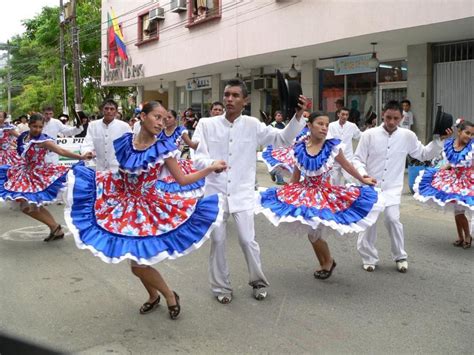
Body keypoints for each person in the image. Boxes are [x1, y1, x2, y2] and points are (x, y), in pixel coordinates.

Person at [65, 101, 226, 319]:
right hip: (124, 206)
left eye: (164, 118)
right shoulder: (125, 142)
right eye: (157, 117)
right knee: (135, 263)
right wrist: (100, 185)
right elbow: (119, 175)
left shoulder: (163, 149)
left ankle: (169, 295)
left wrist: (209, 168)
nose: (161, 123)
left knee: (139, 265)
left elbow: (183, 179)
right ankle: (153, 296)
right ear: (142, 117)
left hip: (149, 209)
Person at [193, 78, 308, 304]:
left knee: (247, 240)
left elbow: (283, 139)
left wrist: (298, 116)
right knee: (217, 241)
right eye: (227, 94)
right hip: (214, 193)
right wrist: (210, 163)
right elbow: (197, 157)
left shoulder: (253, 124)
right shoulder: (207, 124)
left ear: (245, 100)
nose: (229, 99)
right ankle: (221, 287)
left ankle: (258, 281)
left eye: (235, 95)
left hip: (243, 192)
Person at [256, 111, 382, 280]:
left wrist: (362, 178)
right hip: (305, 194)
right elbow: (295, 174)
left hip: (324, 194)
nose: (324, 128)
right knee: (312, 232)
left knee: (314, 233)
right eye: (320, 124)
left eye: (326, 125)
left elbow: (347, 166)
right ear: (309, 126)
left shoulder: (332, 147)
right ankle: (326, 263)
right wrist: (286, 193)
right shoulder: (300, 147)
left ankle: (327, 262)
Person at [352, 100, 452, 273]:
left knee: (393, 219)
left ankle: (400, 255)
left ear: (402, 117)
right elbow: (357, 159)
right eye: (388, 117)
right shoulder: (369, 135)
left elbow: (423, 154)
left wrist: (440, 141)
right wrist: (363, 174)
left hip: (392, 187)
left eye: (396, 118)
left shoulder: (408, 136)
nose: (391, 122)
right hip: (370, 187)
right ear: (383, 114)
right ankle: (368, 257)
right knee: (369, 222)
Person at [0, 113, 92, 242]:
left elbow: (62, 151)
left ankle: (55, 228)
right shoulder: (24, 137)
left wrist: (81, 157)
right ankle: (55, 228)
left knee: (28, 207)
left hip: (38, 174)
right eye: (34, 126)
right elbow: (19, 148)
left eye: (40, 127)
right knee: (30, 206)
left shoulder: (44, 141)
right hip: (24, 172)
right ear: (29, 125)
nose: (37, 129)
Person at [413, 119, 473, 248]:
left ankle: (468, 236)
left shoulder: (472, 147)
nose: (469, 136)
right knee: (456, 211)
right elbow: (451, 162)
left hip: (467, 181)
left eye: (472, 134)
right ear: (459, 131)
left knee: (459, 211)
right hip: (452, 180)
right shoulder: (450, 144)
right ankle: (461, 237)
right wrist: (444, 168)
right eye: (467, 133)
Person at [155, 109, 203, 197]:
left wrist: (205, 143)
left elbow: (191, 144)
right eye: (164, 118)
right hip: (163, 166)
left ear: (175, 119)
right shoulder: (160, 133)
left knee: (180, 190)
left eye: (169, 117)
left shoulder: (180, 130)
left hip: (179, 163)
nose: (167, 120)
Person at [80, 99, 131, 171]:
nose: (109, 111)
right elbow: (88, 143)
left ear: (116, 112)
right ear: (102, 110)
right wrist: (88, 152)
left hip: (118, 169)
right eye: (106, 108)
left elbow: (130, 146)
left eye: (112, 109)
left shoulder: (124, 126)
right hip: (98, 168)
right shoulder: (93, 125)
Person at [328, 106, 361, 185]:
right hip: (335, 158)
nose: (344, 116)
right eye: (343, 114)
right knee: (334, 181)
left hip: (348, 157)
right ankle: (335, 196)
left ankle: (348, 196)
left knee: (349, 180)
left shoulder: (352, 126)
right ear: (338, 114)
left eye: (346, 115)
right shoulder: (331, 126)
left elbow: (360, 137)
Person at [269, 111, 287, 185]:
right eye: (278, 115)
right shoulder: (272, 125)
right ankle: (280, 180)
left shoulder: (283, 124)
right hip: (274, 146)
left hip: (282, 146)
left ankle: (273, 172)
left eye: (280, 116)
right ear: (275, 117)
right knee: (278, 162)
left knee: (282, 163)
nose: (279, 117)